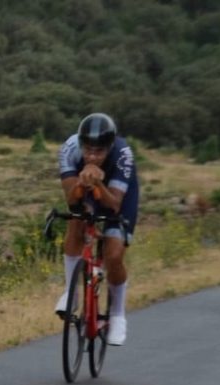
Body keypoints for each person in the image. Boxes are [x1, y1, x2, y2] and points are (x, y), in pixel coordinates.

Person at [55, 113, 139, 346]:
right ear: (80, 144)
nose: (92, 156)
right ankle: (71, 295)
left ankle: (117, 315)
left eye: (99, 151)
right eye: (88, 150)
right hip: (86, 188)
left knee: (113, 255)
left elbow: (113, 205)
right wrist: (82, 184)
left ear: (110, 147)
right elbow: (72, 201)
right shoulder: (69, 149)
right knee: (75, 220)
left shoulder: (123, 155)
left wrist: (99, 182)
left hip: (118, 196)